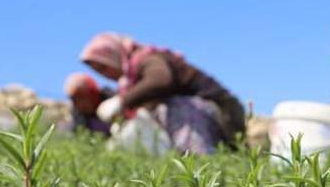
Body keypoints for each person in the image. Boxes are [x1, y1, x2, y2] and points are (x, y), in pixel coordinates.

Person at [79, 32, 246, 155]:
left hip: (221, 112)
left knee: (174, 108)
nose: (104, 74)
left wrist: (123, 101)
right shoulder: (130, 78)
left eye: (103, 67)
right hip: (207, 118)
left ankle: (202, 169)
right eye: (98, 71)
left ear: (113, 55)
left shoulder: (145, 59)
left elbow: (161, 80)